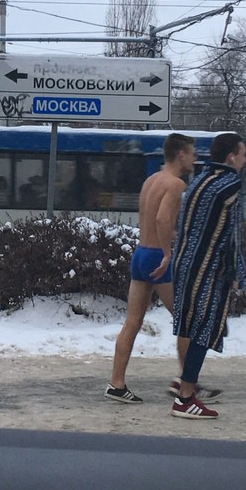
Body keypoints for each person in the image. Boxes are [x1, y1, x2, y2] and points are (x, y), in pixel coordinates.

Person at [105, 133, 198, 404]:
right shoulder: (176, 184)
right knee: (185, 320)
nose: (195, 159)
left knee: (132, 322)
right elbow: (162, 218)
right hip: (158, 256)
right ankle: (186, 384)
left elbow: (148, 216)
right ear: (180, 154)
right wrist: (168, 253)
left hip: (140, 253)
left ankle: (116, 383)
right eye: (192, 153)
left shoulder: (150, 181)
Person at [170, 132, 246, 420]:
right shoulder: (230, 186)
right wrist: (239, 275)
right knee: (204, 330)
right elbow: (233, 237)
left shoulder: (198, 181)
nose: (245, 159)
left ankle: (184, 386)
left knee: (189, 328)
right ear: (231, 156)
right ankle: (185, 398)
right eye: (243, 154)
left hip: (184, 265)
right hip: (210, 270)